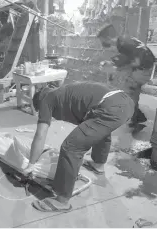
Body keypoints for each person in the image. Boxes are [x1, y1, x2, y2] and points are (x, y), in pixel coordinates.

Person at [23, 81, 135, 212]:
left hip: (112, 107)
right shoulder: (63, 94)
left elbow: (40, 135)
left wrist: (31, 164)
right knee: (99, 129)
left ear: (39, 102)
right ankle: (98, 165)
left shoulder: (46, 100)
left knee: (71, 147)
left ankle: (61, 201)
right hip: (125, 103)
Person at [97, 24, 157, 129]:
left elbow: (136, 61)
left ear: (108, 38)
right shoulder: (125, 40)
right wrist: (115, 65)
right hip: (145, 68)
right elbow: (130, 58)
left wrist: (113, 66)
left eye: (103, 41)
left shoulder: (123, 44)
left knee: (127, 89)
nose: (103, 44)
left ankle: (134, 116)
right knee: (128, 88)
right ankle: (136, 117)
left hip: (143, 70)